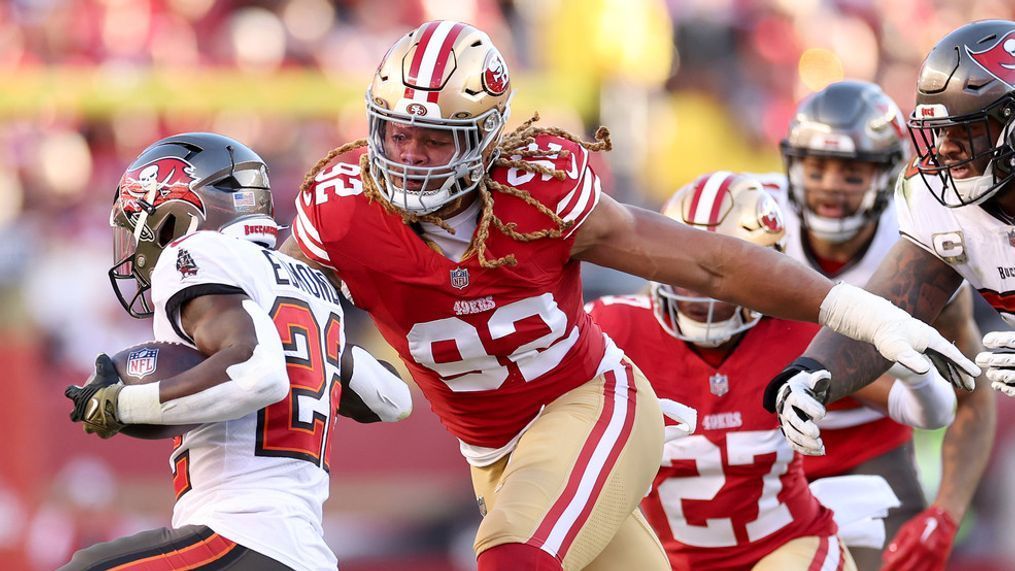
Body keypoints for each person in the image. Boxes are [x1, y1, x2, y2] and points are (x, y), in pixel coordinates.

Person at [281, 20, 974, 571]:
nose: (407, 155)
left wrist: (850, 309)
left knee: (511, 555)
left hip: (585, 407)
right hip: (492, 452)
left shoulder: (537, 192)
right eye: (395, 132)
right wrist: (329, 361)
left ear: (485, 137)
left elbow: (706, 263)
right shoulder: (340, 205)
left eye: (434, 139)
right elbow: (281, 301)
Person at [61, 133, 412, 570]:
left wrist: (123, 404)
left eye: (149, 227)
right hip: (305, 554)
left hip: (239, 537)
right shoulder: (310, 285)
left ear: (182, 215)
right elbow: (394, 400)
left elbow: (256, 372)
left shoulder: (195, 253)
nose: (142, 250)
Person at [765, 19, 1015, 570]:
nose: (945, 151)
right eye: (938, 131)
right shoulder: (942, 206)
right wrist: (814, 373)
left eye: (963, 131)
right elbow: (889, 309)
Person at [587, 172, 856, 570]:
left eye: (717, 272)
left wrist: (919, 390)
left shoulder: (797, 331)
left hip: (784, 547)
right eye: (685, 269)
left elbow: (910, 401)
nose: (696, 288)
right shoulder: (615, 326)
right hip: (663, 558)